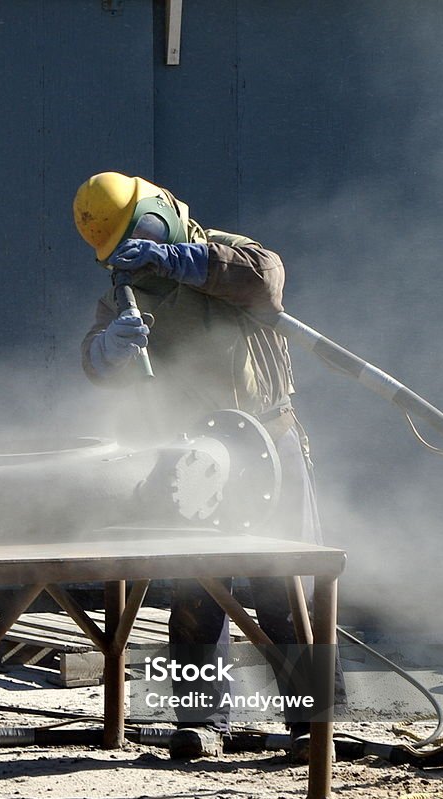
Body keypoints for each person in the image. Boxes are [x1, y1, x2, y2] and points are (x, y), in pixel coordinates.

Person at [72, 171, 340, 760]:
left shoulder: (233, 255)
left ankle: (312, 722)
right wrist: (107, 348)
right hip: (193, 453)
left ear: (160, 212)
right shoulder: (129, 290)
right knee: (196, 589)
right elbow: (93, 361)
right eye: (117, 244)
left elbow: (264, 283)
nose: (130, 251)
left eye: (135, 234)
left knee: (285, 583)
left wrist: (182, 261)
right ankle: (205, 720)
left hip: (269, 439)